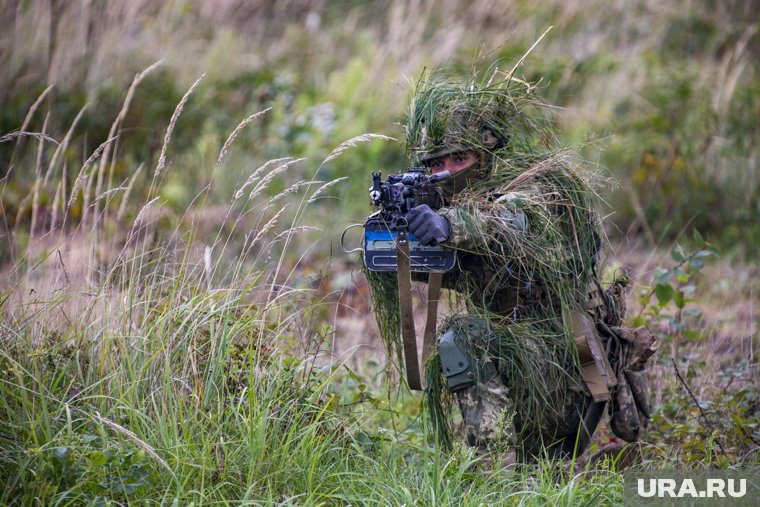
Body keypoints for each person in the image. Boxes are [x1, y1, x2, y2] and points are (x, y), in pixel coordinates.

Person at [367, 73, 656, 461]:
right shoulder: (458, 201)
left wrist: (450, 225)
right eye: (437, 164)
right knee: (537, 467)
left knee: (464, 338)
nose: (449, 172)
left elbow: (507, 224)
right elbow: (469, 269)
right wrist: (393, 245)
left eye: (460, 159)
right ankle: (508, 467)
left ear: (488, 154)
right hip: (522, 360)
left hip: (566, 362)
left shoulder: (538, 185)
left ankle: (498, 471)